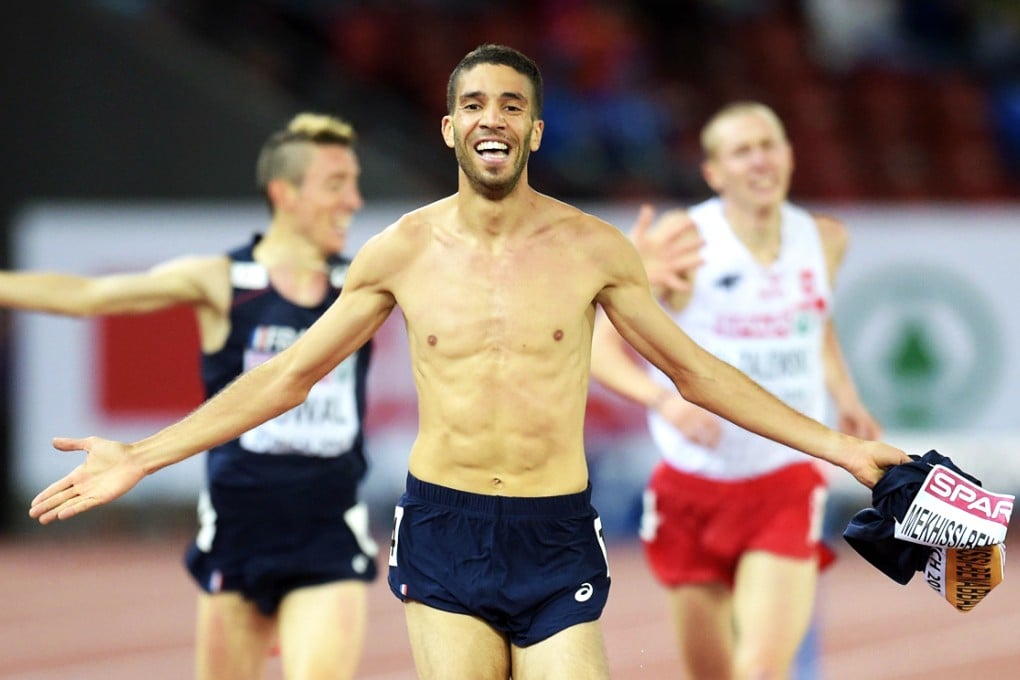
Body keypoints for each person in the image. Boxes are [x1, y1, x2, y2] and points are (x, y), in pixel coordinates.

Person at [29, 45, 909, 680]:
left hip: (555, 532)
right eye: (477, 104)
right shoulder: (400, 251)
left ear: (533, 128)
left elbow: (700, 374)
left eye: (513, 105)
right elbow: (287, 375)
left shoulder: (594, 248)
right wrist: (140, 458)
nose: (495, 118)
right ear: (451, 127)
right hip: (445, 532)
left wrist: (844, 449)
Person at [8, 113, 378, 680]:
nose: (353, 200)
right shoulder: (221, 279)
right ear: (285, 193)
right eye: (336, 184)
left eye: (354, 183)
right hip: (236, 531)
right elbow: (88, 293)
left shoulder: (364, 285)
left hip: (327, 532)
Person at [590, 101, 883, 679]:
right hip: (691, 484)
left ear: (790, 155)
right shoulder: (684, 240)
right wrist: (664, 400)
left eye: (769, 144)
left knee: (761, 671)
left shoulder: (825, 239)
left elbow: (814, 321)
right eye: (741, 151)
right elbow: (600, 350)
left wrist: (847, 398)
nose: (759, 160)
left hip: (785, 479)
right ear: (714, 172)